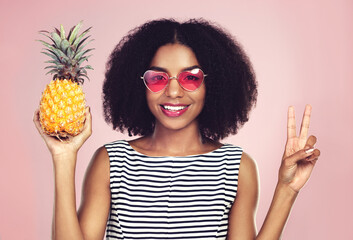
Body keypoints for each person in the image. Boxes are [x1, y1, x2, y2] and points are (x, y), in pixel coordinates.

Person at [34, 19, 320, 240]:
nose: (173, 91)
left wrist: (286, 189)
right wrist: (63, 157)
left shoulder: (236, 167)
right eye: (158, 78)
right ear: (140, 86)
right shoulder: (112, 162)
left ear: (213, 84)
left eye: (190, 78)